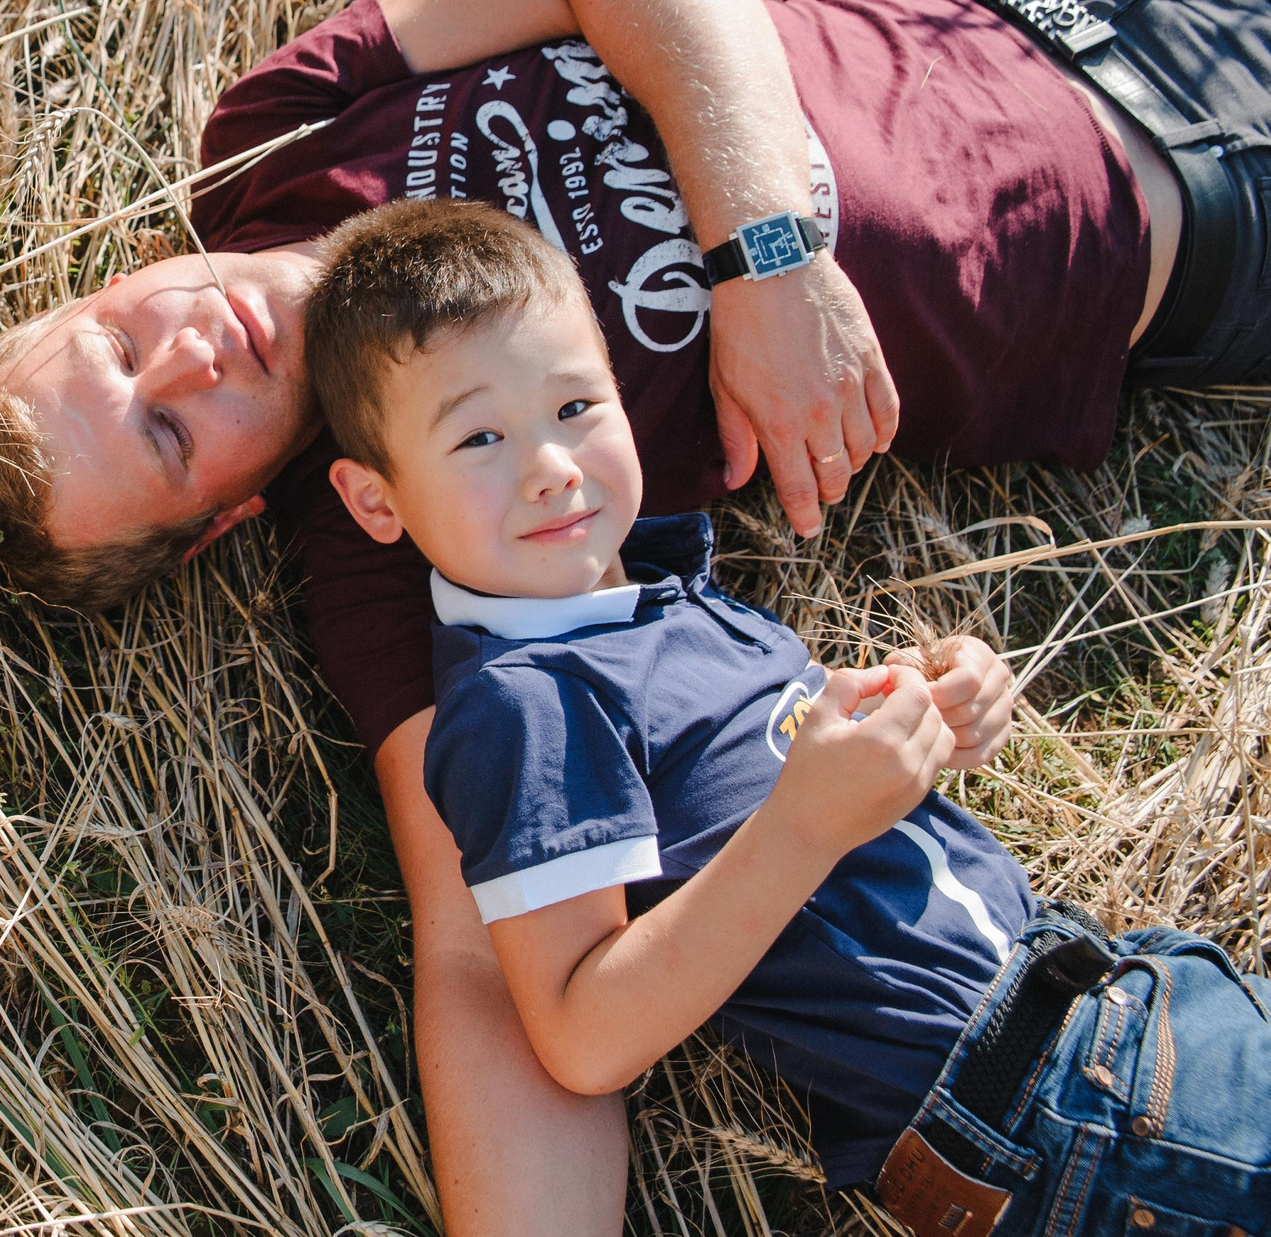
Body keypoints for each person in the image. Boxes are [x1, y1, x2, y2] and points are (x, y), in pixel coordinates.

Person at [0, 0, 1271, 1230]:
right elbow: (487, 966)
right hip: (1186, 212)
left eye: (112, 337)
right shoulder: (421, 535)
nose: (185, 350)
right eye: (169, 431)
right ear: (229, 515)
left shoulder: (275, 142)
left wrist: (765, 250)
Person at [305, 195, 1271, 1233]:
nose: (551, 466)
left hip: (1128, 1004)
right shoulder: (528, 703)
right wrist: (806, 821)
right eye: (480, 436)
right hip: (1059, 1111)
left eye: (576, 407)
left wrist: (931, 714)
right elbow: (582, 1035)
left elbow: (789, 785)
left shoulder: (650, 599)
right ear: (375, 501)